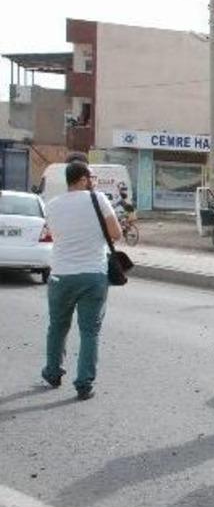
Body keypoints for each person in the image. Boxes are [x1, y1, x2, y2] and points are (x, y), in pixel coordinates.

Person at [40, 157, 122, 401]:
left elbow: (55, 235)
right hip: (93, 275)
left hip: (61, 275)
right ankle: (84, 383)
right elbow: (116, 234)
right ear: (84, 179)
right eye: (91, 178)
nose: (93, 182)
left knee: (57, 327)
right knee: (90, 331)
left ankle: (52, 373)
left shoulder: (51, 205)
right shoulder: (98, 200)